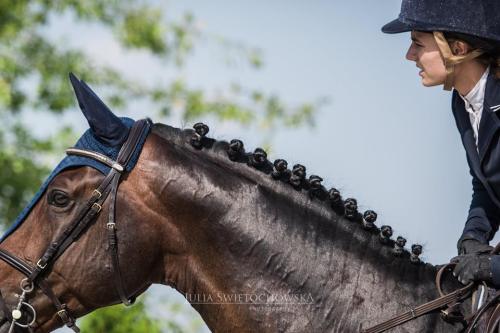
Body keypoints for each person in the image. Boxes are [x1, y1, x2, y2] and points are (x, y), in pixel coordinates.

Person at [381, 0, 500, 287]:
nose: (410, 55)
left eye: (418, 44)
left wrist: (494, 267)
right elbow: (486, 185)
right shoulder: (463, 103)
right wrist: (473, 235)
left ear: (458, 49)